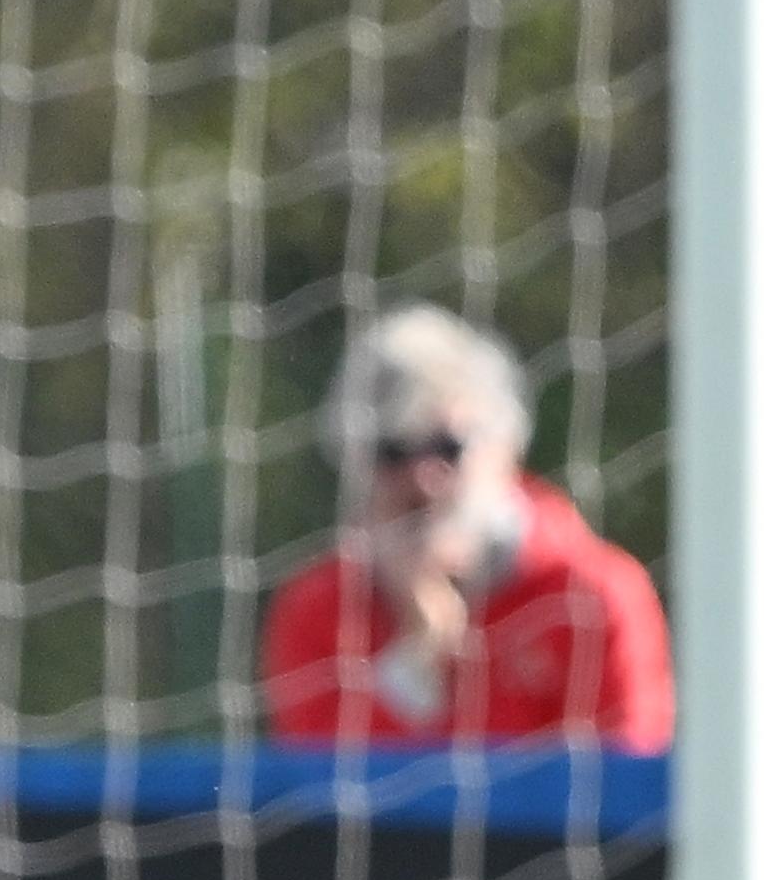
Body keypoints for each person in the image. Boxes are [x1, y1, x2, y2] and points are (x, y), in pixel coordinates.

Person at [260, 305, 674, 751]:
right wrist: (415, 661)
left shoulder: (595, 594)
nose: (423, 477)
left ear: (506, 446)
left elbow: (630, 770)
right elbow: (316, 794)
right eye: (394, 452)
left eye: (448, 447)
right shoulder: (318, 608)